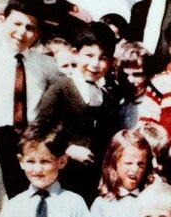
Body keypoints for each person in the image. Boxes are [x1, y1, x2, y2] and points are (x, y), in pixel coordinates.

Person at [0, 0, 61, 197]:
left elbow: (63, 94)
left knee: (25, 193)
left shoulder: (45, 64)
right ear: (3, 21)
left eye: (29, 28)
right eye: (16, 24)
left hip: (29, 139)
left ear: (37, 33)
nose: (21, 32)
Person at [33, 22, 120, 203]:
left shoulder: (107, 95)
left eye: (103, 58)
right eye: (88, 55)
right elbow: (39, 130)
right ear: (75, 53)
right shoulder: (61, 89)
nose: (95, 64)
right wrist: (68, 148)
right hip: (64, 177)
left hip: (95, 180)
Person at [114, 42, 150, 130]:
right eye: (125, 75)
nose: (130, 80)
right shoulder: (118, 103)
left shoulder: (153, 104)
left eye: (137, 74)